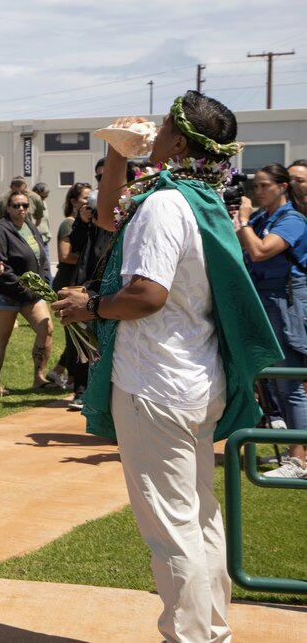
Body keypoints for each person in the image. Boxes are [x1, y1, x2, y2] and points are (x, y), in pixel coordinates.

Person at [54, 92, 281, 643]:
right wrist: (116, 152)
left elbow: (147, 295)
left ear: (179, 142)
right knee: (200, 521)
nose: (153, 129)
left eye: (164, 126)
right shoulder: (200, 198)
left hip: (156, 385)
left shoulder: (163, 203)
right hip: (197, 381)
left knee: (172, 532)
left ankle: (191, 638)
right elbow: (109, 215)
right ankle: (214, 632)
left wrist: (92, 304)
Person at [235, 163, 307, 478]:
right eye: (257, 186)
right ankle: (290, 453)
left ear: (282, 186)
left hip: (286, 305)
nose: (259, 191)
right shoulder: (265, 218)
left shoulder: (293, 220)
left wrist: (245, 221)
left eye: (265, 186)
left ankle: (299, 460)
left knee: (290, 384)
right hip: (265, 302)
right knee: (275, 385)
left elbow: (261, 250)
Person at [0, 191, 54, 394]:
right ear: (8, 208)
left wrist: (42, 281)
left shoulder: (30, 226)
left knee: (47, 329)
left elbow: (41, 257)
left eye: (25, 205)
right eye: (16, 205)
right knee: (2, 338)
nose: (21, 209)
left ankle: (39, 377)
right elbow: (0, 263)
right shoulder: (1, 229)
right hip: (7, 294)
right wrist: (21, 287)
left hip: (32, 294)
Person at [47, 182, 92, 392]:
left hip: (79, 285)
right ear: (74, 201)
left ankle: (60, 372)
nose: (89, 201)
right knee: (74, 336)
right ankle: (73, 379)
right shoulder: (69, 223)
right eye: (85, 197)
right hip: (68, 284)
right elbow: (65, 255)